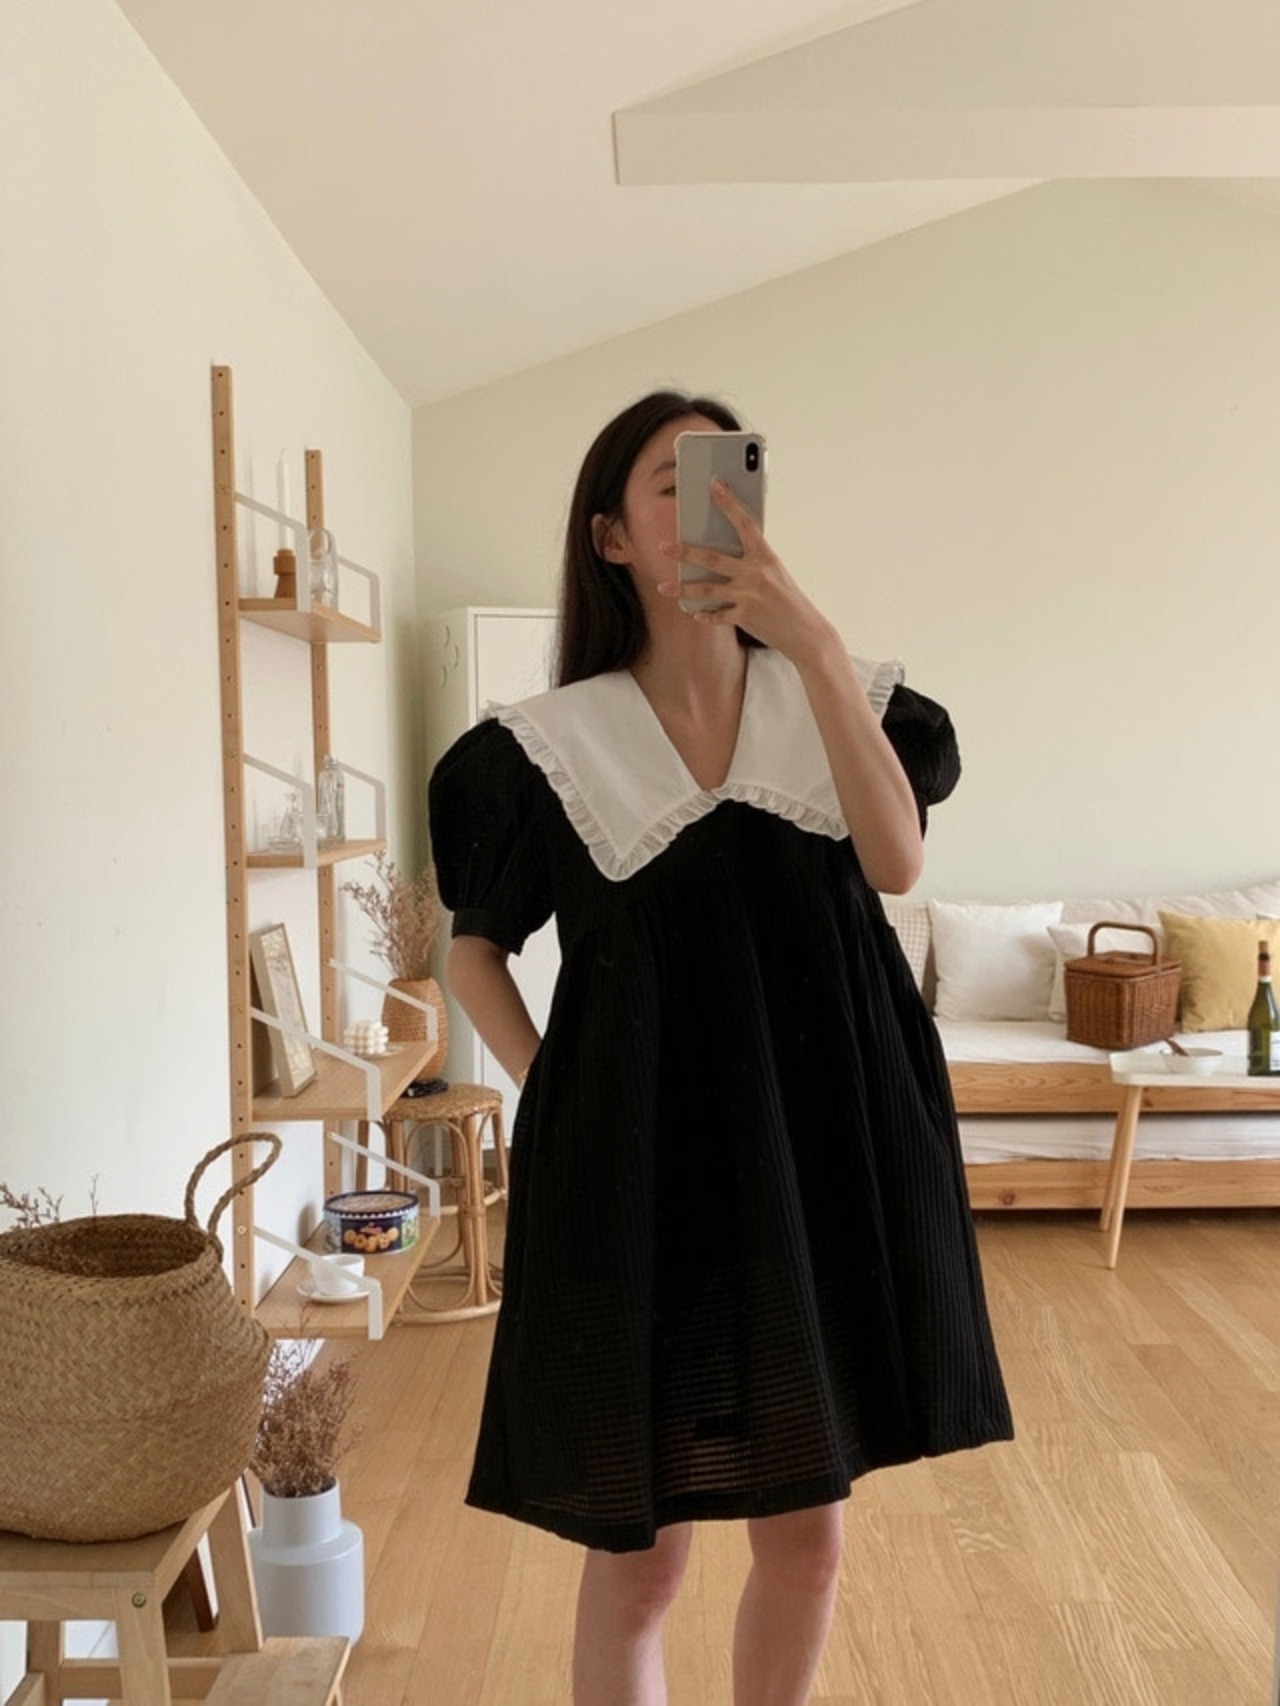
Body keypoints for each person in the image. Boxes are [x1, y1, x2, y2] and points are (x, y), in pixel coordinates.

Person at [427, 390, 1013, 1705]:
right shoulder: (544, 752)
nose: (715, 504)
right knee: (640, 1565)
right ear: (611, 537)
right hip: (642, 1180)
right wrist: (558, 1090)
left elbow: (896, 861)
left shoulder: (846, 699)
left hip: (818, 1164)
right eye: (674, 481)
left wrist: (812, 638)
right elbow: (473, 951)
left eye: (733, 477)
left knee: (808, 1542)